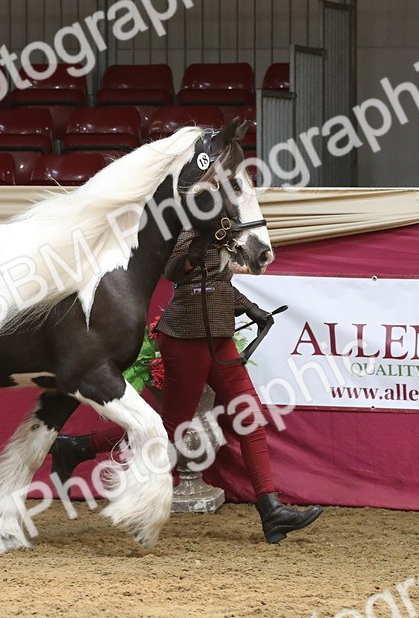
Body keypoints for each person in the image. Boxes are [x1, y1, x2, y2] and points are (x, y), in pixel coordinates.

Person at [49, 230, 323, 544]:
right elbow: (174, 271)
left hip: (218, 337)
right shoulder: (192, 230)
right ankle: (78, 447)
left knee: (249, 416)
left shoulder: (227, 235)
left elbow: (219, 283)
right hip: (186, 337)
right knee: (170, 428)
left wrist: (250, 308)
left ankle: (271, 509)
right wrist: (202, 244)